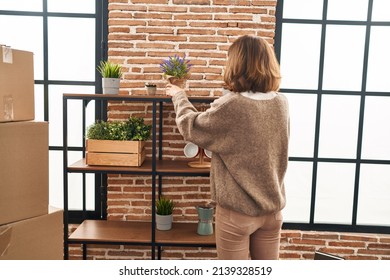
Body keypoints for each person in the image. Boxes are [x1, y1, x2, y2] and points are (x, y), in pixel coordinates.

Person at [165, 35, 289, 260]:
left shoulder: (233, 104)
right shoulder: (281, 102)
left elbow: (191, 126)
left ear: (236, 64)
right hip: (272, 212)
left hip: (237, 214)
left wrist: (179, 96)